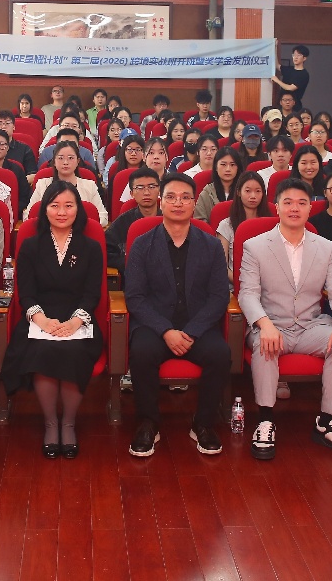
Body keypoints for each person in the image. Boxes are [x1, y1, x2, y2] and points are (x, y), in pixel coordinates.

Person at [237, 178, 332, 461]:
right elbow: (247, 294)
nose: (295, 208)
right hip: (271, 323)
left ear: (310, 208)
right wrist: (264, 325)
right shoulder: (255, 246)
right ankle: (265, 420)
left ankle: (327, 421)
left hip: (310, 325)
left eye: (302, 203)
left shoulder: (326, 247)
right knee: (265, 344)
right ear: (277, 207)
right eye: (288, 202)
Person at [123, 173, 231, 457]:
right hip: (154, 325)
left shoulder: (211, 245)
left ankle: (203, 423)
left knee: (220, 354)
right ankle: (148, 422)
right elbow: (135, 297)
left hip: (197, 325)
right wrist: (165, 331)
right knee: (142, 352)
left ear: (194, 203)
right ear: (161, 202)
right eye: (171, 197)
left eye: (185, 198)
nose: (178, 203)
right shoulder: (142, 244)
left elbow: (219, 296)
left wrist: (193, 331)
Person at [1, 181, 105, 459]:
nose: (61, 212)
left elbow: (92, 294)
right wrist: (43, 321)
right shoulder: (30, 246)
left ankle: (68, 423)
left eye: (68, 205)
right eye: (54, 205)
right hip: (40, 317)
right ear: (44, 209)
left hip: (78, 319)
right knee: (43, 348)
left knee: (74, 350)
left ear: (78, 209)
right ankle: (50, 423)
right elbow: (26, 293)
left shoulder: (91, 247)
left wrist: (74, 322)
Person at [27, 142, 108, 226]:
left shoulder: (90, 186)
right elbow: (29, 214)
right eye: (61, 158)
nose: (65, 162)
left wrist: (76, 226)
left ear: (78, 161)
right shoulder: (42, 185)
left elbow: (103, 217)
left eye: (70, 158)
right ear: (54, 161)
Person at [106, 167, 161, 272]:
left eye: (151, 187)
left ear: (159, 190)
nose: (146, 192)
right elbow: (105, 250)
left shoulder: (168, 219)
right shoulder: (123, 221)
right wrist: (129, 263)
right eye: (140, 188)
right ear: (131, 193)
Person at [216, 171, 268, 265]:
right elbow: (222, 266)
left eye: (258, 191)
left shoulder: (270, 224)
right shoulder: (226, 225)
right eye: (248, 191)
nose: (253, 196)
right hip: (234, 274)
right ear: (239, 192)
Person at [194, 146, 242, 222]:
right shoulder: (207, 192)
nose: (228, 169)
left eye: (232, 165)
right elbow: (199, 222)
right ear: (216, 167)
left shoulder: (244, 191)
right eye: (223, 164)